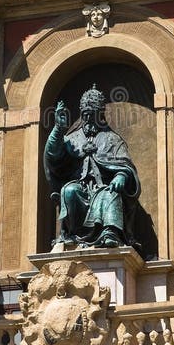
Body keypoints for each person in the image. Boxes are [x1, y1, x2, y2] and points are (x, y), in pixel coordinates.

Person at [44, 84, 140, 248]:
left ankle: (110, 233)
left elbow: (126, 165)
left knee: (110, 194)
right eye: (85, 115)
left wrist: (121, 176)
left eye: (91, 115)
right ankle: (72, 235)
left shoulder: (112, 138)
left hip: (104, 186)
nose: (88, 119)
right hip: (79, 186)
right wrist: (58, 129)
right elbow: (53, 155)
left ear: (99, 115)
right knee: (69, 191)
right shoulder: (72, 138)